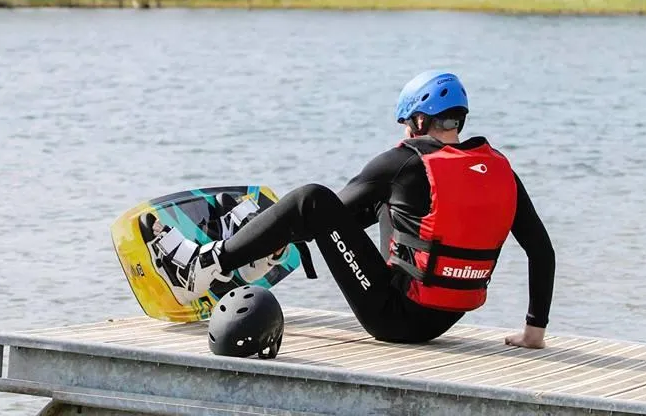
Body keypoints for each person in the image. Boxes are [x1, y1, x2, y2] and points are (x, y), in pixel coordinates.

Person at [156, 70, 556, 348]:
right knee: (387, 203)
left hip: (393, 318)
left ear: (418, 119)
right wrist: (533, 331)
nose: (404, 131)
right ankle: (261, 246)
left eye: (405, 122)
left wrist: (279, 227)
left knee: (310, 198)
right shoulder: (499, 170)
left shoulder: (403, 161)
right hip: (444, 319)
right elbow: (542, 251)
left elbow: (321, 213)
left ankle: (206, 264)